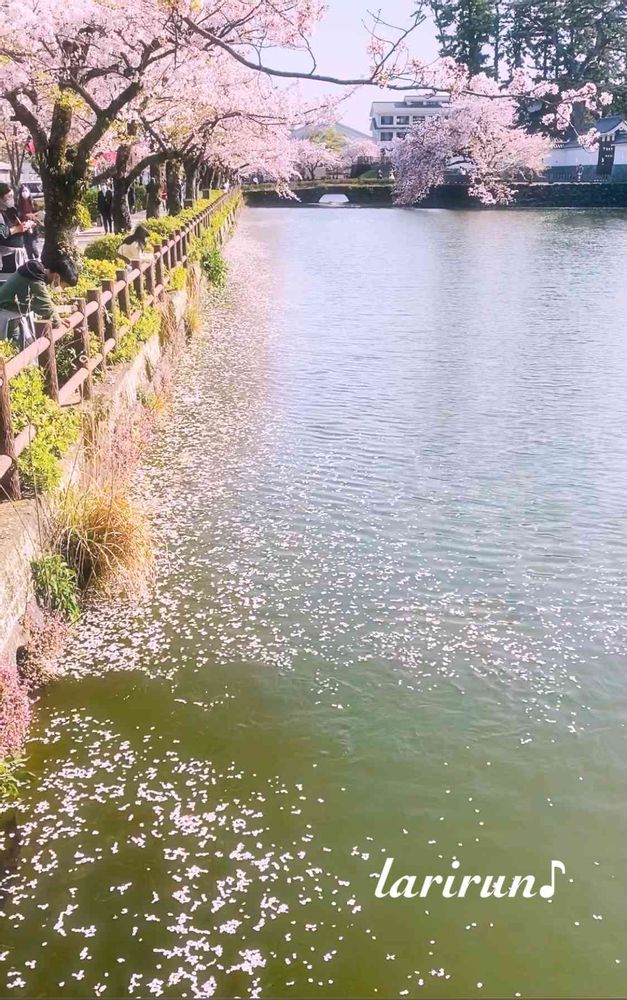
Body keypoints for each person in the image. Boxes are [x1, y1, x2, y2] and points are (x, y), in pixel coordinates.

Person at [0, 249, 78, 350]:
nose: (63, 289)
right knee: (17, 350)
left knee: (23, 348)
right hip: (7, 314)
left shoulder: (36, 274)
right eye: (64, 286)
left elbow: (46, 303)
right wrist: (58, 323)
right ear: (57, 276)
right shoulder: (35, 278)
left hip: (12, 314)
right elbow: (46, 306)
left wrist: (58, 318)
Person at [0, 182, 35, 273]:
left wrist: (25, 225)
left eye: (12, 196)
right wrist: (18, 228)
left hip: (16, 254)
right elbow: (2, 232)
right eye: (9, 196)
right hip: (6, 257)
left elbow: (15, 226)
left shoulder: (10, 210)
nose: (11, 199)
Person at [17, 184, 40, 260]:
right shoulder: (19, 203)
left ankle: (37, 257)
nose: (24, 192)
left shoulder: (33, 202)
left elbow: (38, 214)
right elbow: (18, 215)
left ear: (29, 192)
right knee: (27, 245)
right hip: (23, 226)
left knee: (32, 244)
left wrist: (33, 221)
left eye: (26, 191)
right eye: (23, 191)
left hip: (32, 226)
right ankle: (30, 259)